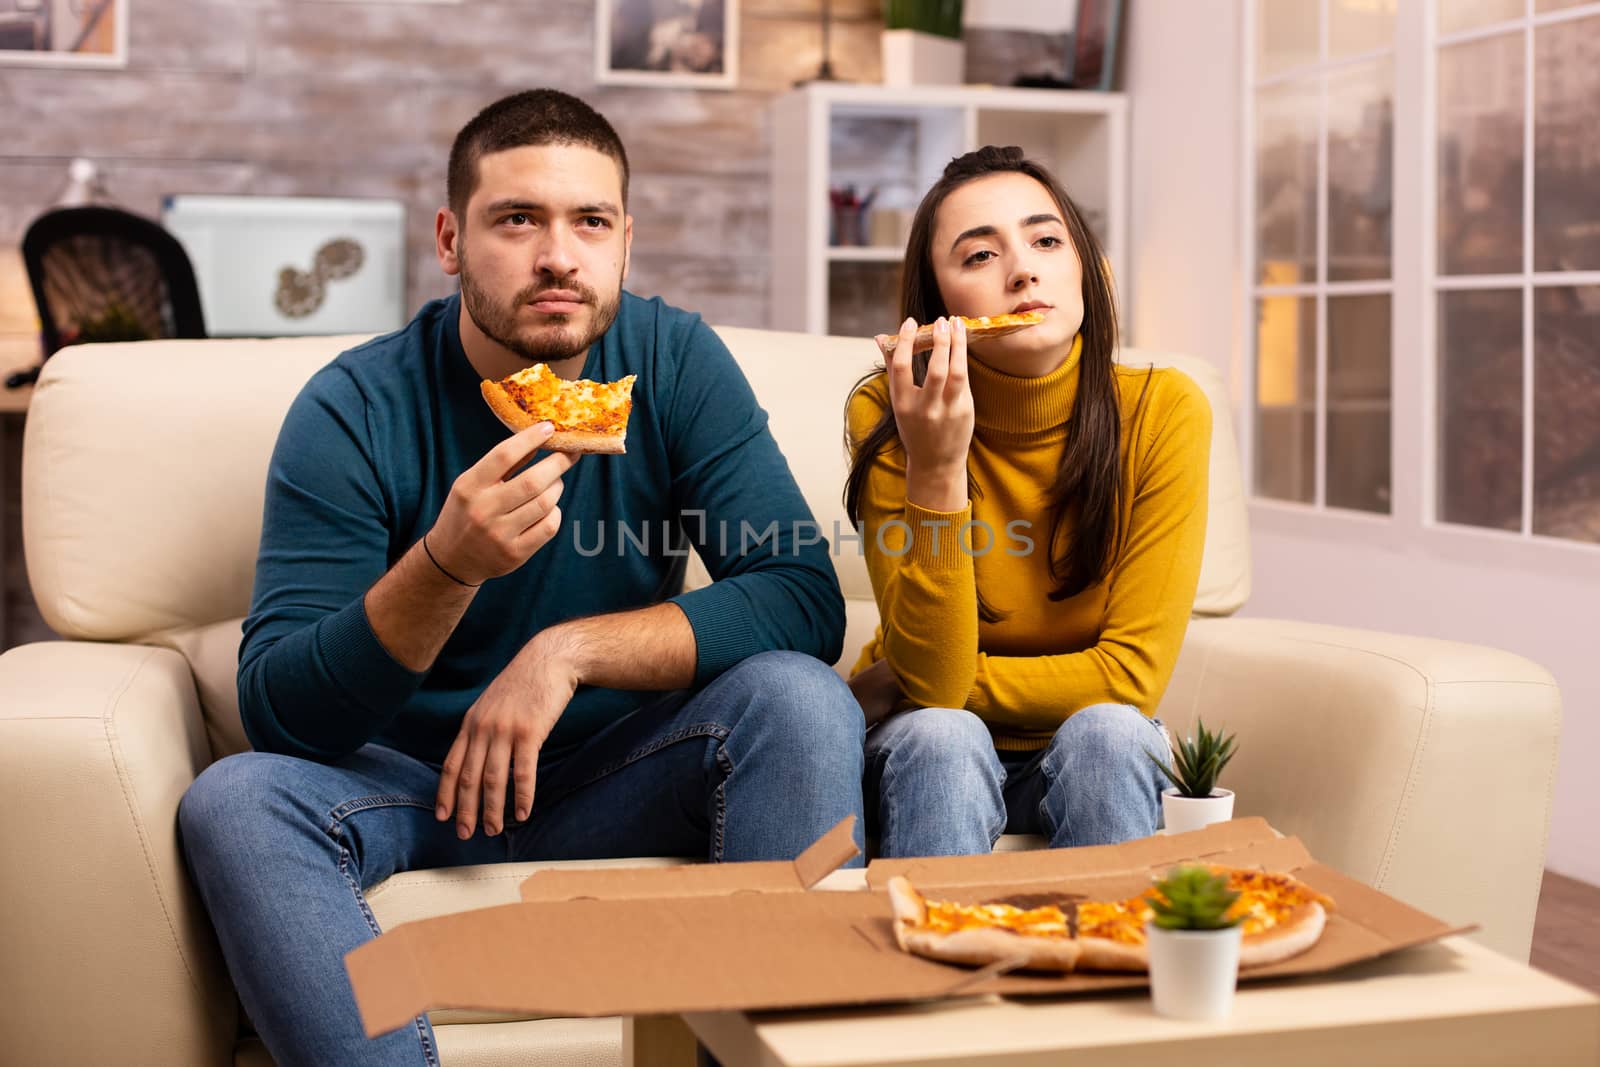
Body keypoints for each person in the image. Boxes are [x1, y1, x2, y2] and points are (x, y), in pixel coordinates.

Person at [177, 88, 865, 1066]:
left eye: (589, 221)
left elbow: (800, 594)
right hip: (414, 789)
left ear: (627, 238)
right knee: (236, 798)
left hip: (616, 771)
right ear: (451, 238)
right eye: (517, 220)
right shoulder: (354, 406)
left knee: (798, 699)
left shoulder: (670, 362)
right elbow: (282, 713)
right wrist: (445, 565)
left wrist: (568, 653)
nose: (558, 256)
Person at [844, 145, 1210, 858]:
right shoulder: (888, 410)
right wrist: (937, 465)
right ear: (938, 304)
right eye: (980, 256)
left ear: (1084, 267)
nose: (1023, 270)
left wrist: (901, 683)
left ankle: (1112, 965)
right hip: (927, 746)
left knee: (1111, 731)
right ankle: (940, 967)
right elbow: (940, 695)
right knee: (942, 734)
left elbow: (1128, 678)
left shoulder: (1166, 411)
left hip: (1086, 746)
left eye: (1046, 240)